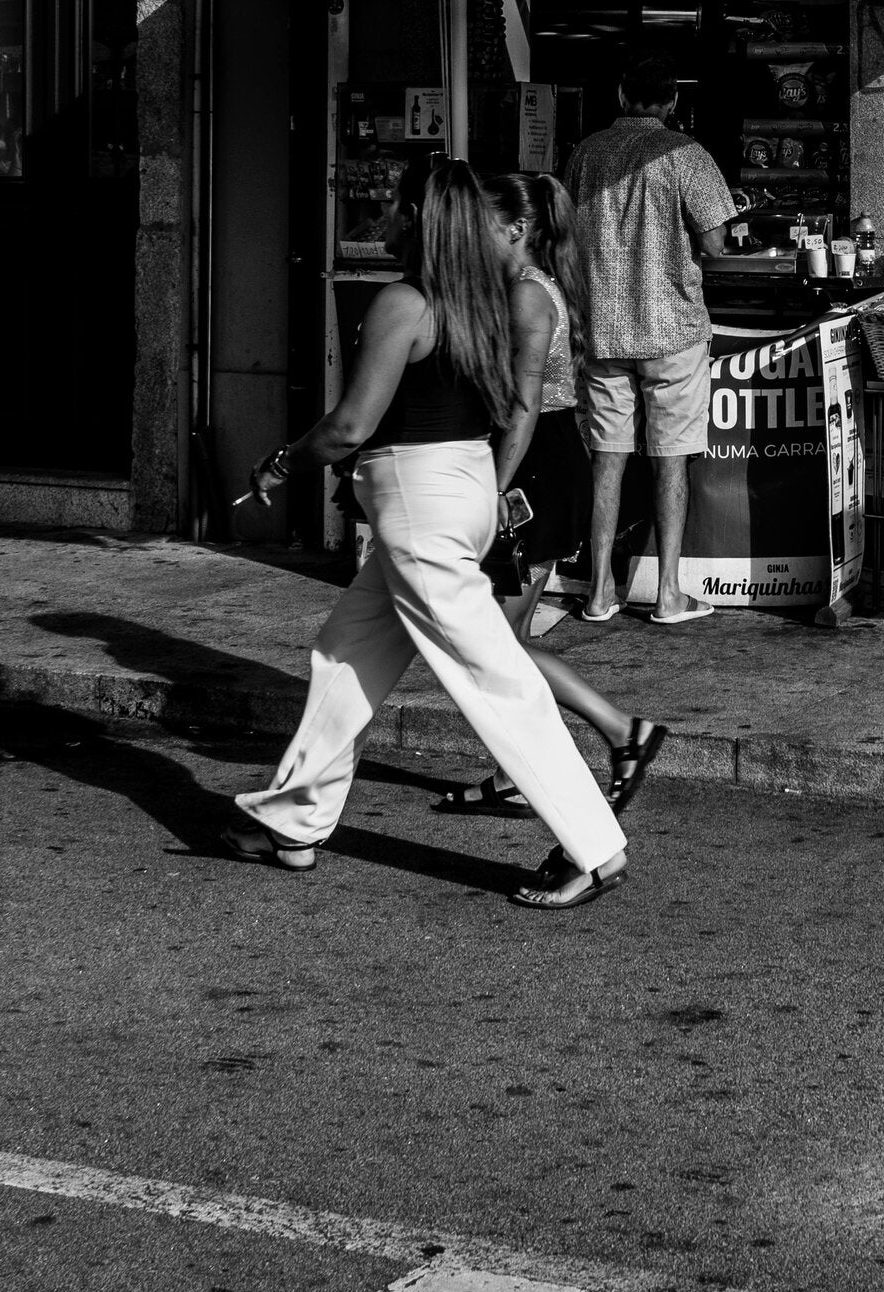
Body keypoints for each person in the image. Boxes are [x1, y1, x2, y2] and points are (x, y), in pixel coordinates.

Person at [224, 158, 630, 909]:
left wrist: (281, 462)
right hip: (460, 487)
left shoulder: (404, 302)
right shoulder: (484, 302)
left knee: (490, 673)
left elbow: (350, 427)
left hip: (420, 501)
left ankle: (595, 848)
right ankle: (293, 821)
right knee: (346, 655)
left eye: (391, 205)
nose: (380, 217)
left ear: (417, 218)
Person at [432, 170, 667, 819]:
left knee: (497, 644)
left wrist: (492, 489)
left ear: (516, 227)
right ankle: (525, 768)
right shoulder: (527, 287)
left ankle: (622, 731)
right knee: (499, 641)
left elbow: (524, 403)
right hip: (545, 463)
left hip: (534, 469)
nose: (470, 230)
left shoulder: (529, 296)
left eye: (482, 219)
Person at [564, 49, 735, 625]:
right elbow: (715, 244)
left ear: (621, 95)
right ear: (673, 101)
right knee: (670, 461)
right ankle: (668, 594)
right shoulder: (685, 154)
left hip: (603, 330)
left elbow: (563, 233)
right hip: (671, 331)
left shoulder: (586, 153)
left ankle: (599, 592)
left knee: (606, 460)